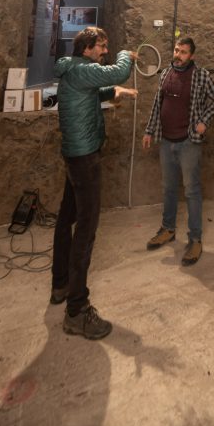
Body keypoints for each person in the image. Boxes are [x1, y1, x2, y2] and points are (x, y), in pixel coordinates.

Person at [50, 26, 138, 340]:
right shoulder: (82, 69)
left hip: (75, 156)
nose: (105, 51)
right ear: (87, 47)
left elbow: (93, 91)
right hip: (85, 159)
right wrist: (126, 55)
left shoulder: (74, 71)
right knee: (85, 232)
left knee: (66, 220)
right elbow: (120, 71)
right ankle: (76, 310)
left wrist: (116, 92)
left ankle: (60, 285)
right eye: (102, 46)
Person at [143, 37, 214, 265]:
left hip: (189, 141)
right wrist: (149, 131)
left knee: (191, 191)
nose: (178, 55)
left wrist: (204, 120)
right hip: (166, 140)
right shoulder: (165, 73)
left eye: (183, 52)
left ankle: (195, 239)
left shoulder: (200, 75)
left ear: (192, 56)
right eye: (177, 50)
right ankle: (168, 229)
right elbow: (157, 104)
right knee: (169, 188)